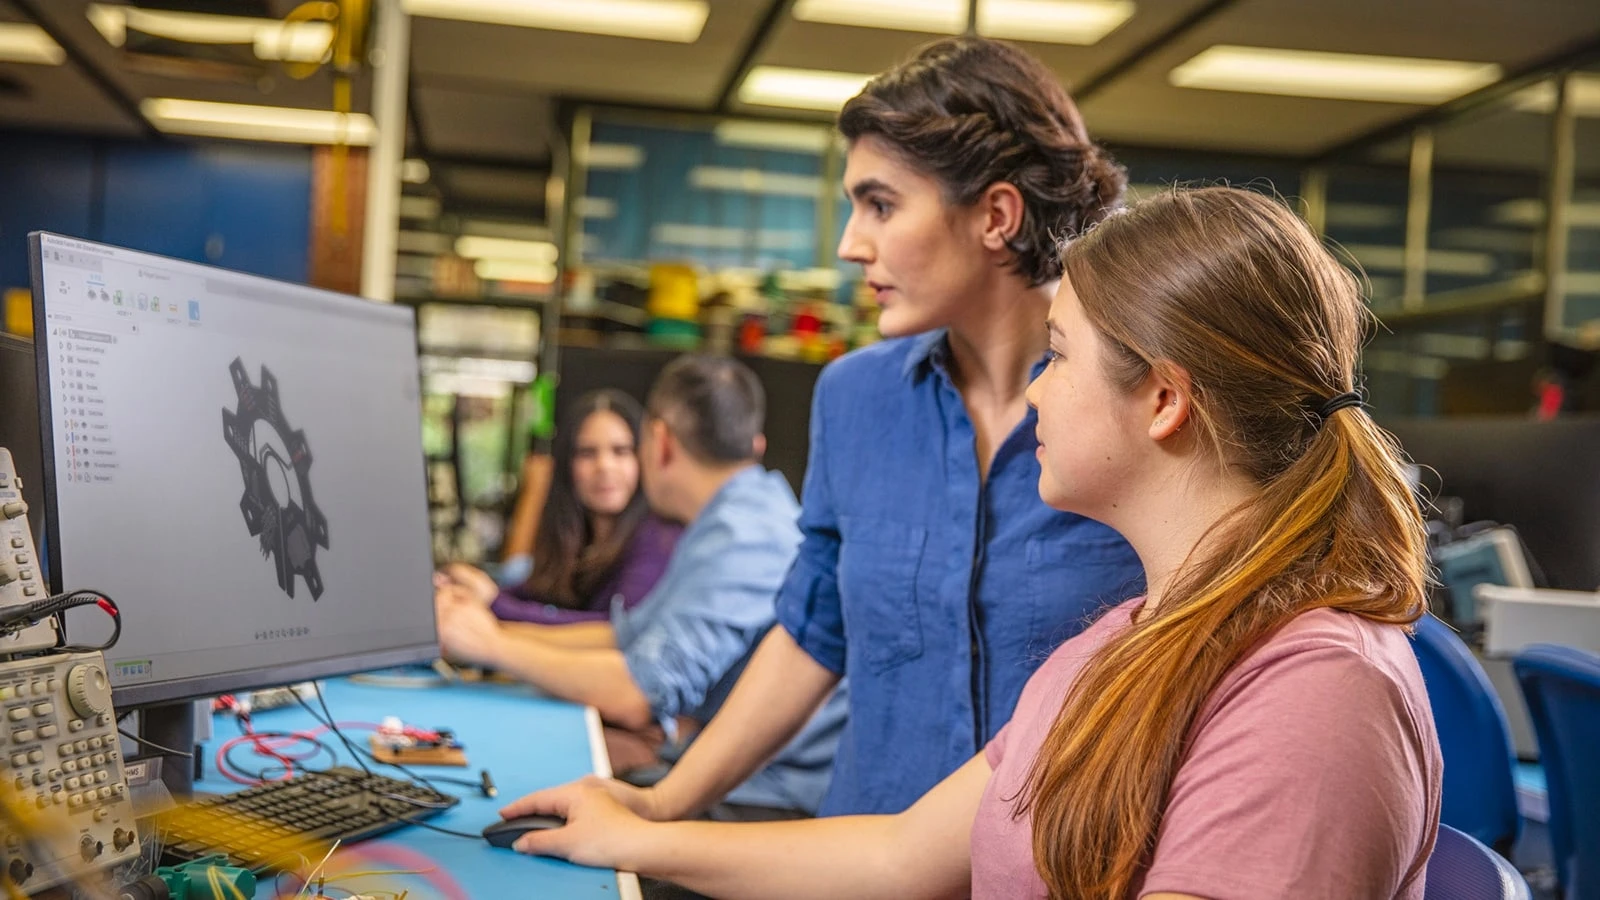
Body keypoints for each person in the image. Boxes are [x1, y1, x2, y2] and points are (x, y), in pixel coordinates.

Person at [499, 186, 1444, 899]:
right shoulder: (1126, 639)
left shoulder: (1317, 692)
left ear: (1163, 398)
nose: (1035, 391)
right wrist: (635, 833)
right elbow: (898, 852)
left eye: (1061, 356)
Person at [522, 35, 1144, 830]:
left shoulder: (1132, 405)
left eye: (881, 205)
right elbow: (814, 633)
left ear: (995, 215)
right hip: (856, 848)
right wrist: (662, 803)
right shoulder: (857, 397)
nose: (851, 244)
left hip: (1058, 865)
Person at [436, 356, 845, 814]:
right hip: (721, 778)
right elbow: (622, 636)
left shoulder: (745, 537)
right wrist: (480, 627)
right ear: (756, 443)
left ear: (659, 442)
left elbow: (638, 694)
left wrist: (494, 646)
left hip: (763, 802)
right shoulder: (733, 514)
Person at [437, 389, 681, 627]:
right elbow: (535, 593)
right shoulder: (575, 540)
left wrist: (495, 602)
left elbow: (615, 631)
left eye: (621, 451)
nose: (605, 466)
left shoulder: (657, 538)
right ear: (567, 465)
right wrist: (468, 590)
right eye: (587, 453)